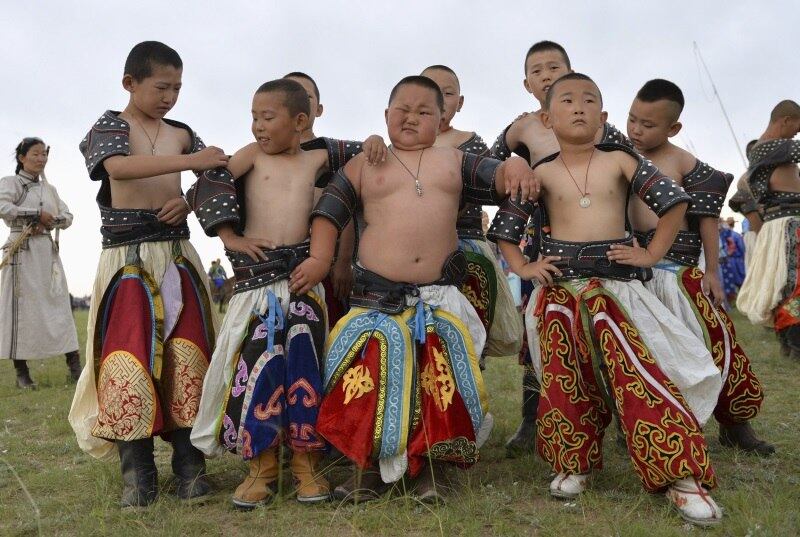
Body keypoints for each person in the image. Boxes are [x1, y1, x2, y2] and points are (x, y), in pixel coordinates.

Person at [489, 73, 723, 526]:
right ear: (546, 117)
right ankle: (573, 463)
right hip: (560, 294)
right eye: (568, 100)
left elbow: (676, 202)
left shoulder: (621, 161)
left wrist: (651, 253)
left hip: (618, 292)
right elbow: (505, 231)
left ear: (603, 116)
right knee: (564, 380)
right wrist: (522, 268)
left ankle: (681, 474)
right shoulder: (539, 173)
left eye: (589, 100)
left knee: (641, 374)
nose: (579, 107)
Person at [290, 75, 536, 503]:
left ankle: (435, 474)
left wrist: (513, 166)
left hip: (438, 297)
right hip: (374, 299)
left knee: (440, 391)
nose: (411, 117)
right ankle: (365, 471)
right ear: (385, 115)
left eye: (425, 112)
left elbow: (503, 183)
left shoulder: (454, 161)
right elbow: (329, 212)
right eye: (402, 109)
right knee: (364, 389)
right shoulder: (365, 163)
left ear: (442, 119)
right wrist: (318, 259)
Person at [188, 78, 386, 509]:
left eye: (267, 117)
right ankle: (261, 466)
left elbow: (363, 155)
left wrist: (374, 140)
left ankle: (305, 464)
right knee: (257, 367)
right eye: (254, 116)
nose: (258, 126)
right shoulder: (252, 155)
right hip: (257, 285)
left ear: (300, 121)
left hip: (303, 280)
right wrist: (229, 237)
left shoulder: (321, 155)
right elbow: (210, 181)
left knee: (305, 368)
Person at [67, 41, 225, 508]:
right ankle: (138, 474)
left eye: (177, 87)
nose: (170, 97)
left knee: (187, 355)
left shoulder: (180, 132)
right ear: (129, 83)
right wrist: (192, 163)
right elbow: (117, 167)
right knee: (127, 359)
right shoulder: (109, 127)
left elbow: (216, 171)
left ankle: (190, 467)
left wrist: (191, 198)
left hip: (178, 256)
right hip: (126, 261)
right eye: (161, 87)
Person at [489, 41, 630, 457]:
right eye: (537, 69)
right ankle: (533, 420)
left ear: (571, 70)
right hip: (542, 245)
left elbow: (629, 172)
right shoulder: (522, 128)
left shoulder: (598, 124)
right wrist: (515, 169)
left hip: (604, 243)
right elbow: (487, 171)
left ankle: (625, 418)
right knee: (541, 334)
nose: (546, 74)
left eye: (555, 66)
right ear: (527, 82)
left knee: (613, 331)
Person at [627, 79, 772, 456]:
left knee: (716, 343)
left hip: (680, 270)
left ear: (673, 128)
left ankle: (736, 422)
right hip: (631, 273)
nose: (637, 130)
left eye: (648, 124)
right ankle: (644, 424)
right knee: (644, 353)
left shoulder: (684, 162)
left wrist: (711, 271)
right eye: (633, 120)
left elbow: (707, 217)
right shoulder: (617, 155)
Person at [421, 64, 523, 367]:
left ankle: (473, 405)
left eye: (448, 93)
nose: (439, 100)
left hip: (464, 248)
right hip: (415, 249)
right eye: (430, 91)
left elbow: (477, 190)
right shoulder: (403, 147)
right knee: (425, 335)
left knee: (467, 334)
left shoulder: (469, 142)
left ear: (460, 103)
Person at [0, 137, 80, 388]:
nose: (41, 158)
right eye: (35, 154)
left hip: (47, 254)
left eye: (44, 154)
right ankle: (22, 373)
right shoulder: (11, 183)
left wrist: (50, 221)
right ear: (22, 157)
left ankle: (74, 366)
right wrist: (33, 214)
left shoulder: (50, 189)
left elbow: (67, 215)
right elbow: (2, 206)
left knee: (59, 307)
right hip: (20, 253)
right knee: (19, 311)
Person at [283, 72, 360, 330]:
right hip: (280, 262)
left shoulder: (332, 155)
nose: (299, 103)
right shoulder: (262, 155)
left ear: (319, 108)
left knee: (328, 330)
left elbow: (345, 211)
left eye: (305, 96)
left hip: (325, 262)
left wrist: (343, 262)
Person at [737, 100, 800, 357]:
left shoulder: (773, 151)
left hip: (784, 224)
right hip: (788, 225)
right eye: (796, 127)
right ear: (784, 120)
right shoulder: (768, 149)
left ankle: (790, 338)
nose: (797, 133)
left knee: (787, 283)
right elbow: (741, 197)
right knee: (794, 283)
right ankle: (794, 339)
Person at [728, 140, 763, 271]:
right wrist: (764, 238)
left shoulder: (778, 173)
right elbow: (752, 214)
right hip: (759, 233)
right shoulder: (746, 179)